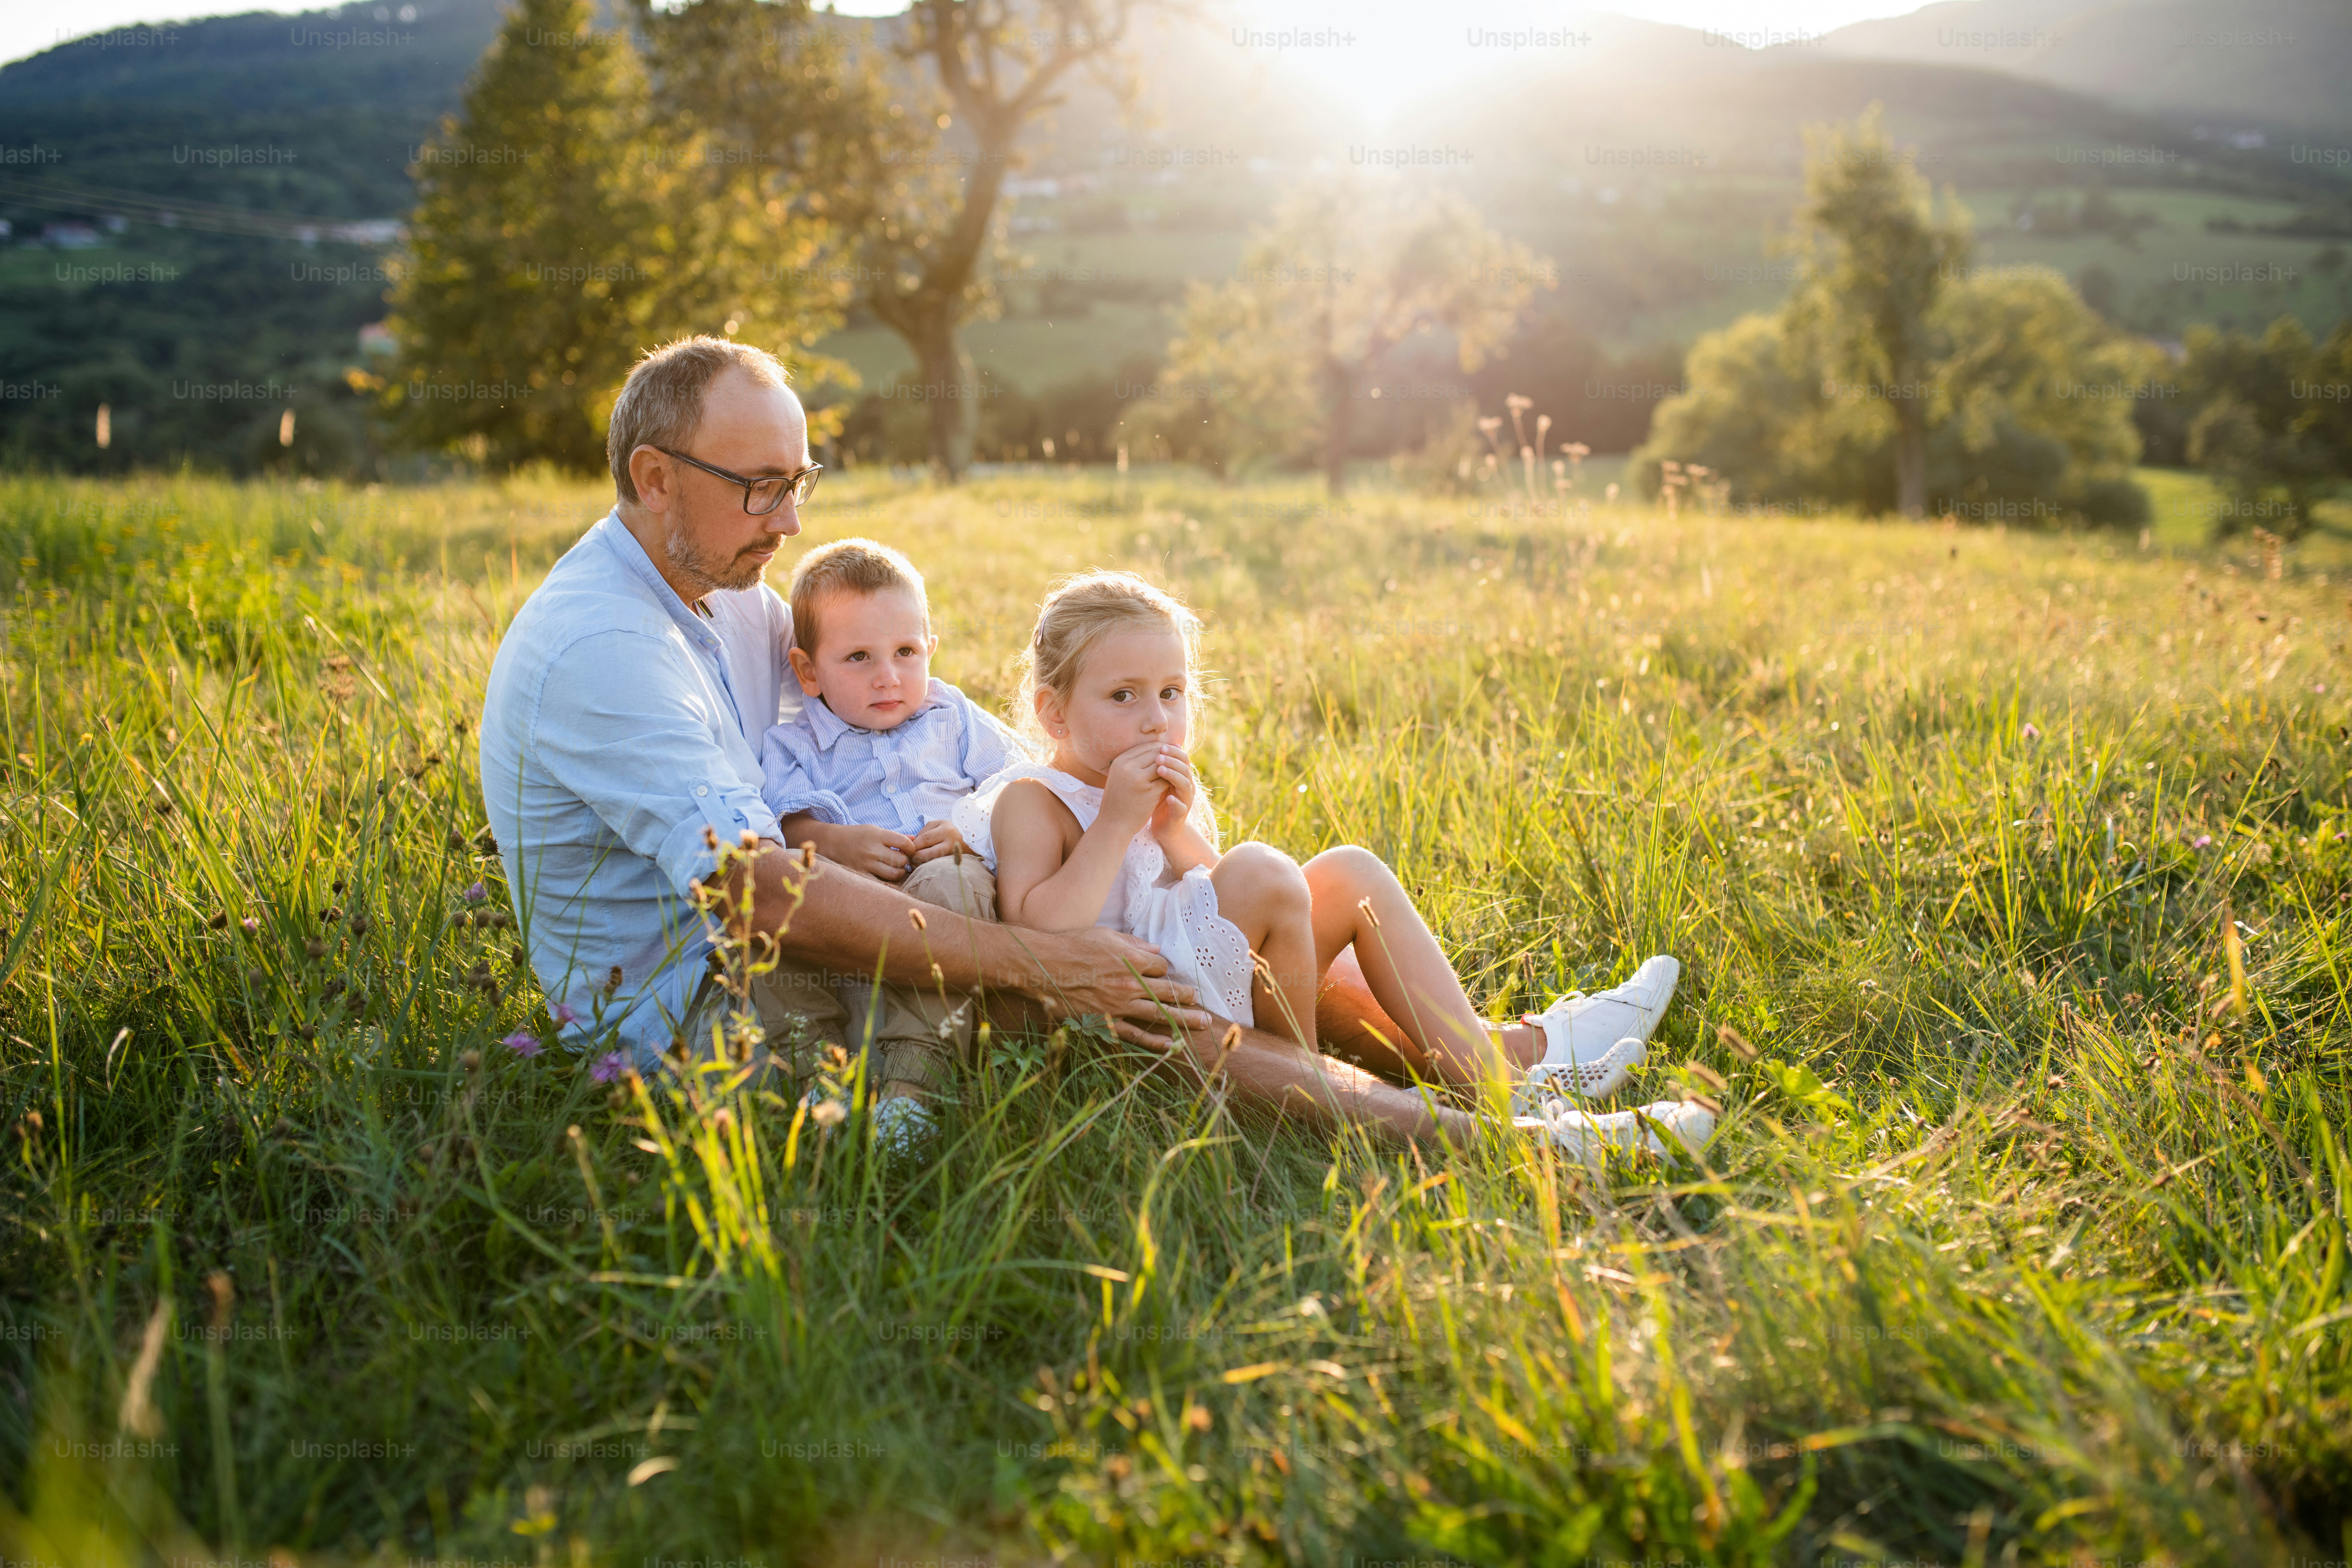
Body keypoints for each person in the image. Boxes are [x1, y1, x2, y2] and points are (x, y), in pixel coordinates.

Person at [951, 571, 1717, 1160]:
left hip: (1211, 980)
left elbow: (1214, 903)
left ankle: (1491, 1077)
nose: (1157, 718)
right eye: (1123, 696)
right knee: (1260, 867)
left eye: (1173, 693)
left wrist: (1178, 834)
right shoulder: (1036, 801)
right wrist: (1118, 824)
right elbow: (1039, 930)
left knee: (1345, 871)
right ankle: (1320, 1085)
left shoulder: (1155, 787)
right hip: (1137, 1015)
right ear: (1055, 713)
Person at [756, 538, 1018, 1147]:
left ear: (931, 648)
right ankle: (815, 1081)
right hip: (845, 902)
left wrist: (973, 826)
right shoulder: (795, 744)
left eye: (906, 652)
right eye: (859, 658)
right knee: (766, 910)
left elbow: (1022, 779)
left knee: (950, 886)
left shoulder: (951, 714)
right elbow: (775, 824)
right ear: (808, 671)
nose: (888, 677)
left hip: (940, 889)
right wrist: (826, 839)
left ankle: (913, 1089)